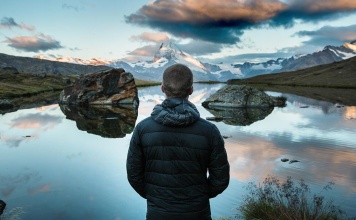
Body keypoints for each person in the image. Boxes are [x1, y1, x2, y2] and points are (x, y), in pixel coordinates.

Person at [126, 63, 230, 220]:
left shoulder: (142, 129)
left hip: (158, 213)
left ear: (162, 88)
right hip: (197, 213)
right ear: (191, 90)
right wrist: (200, 196)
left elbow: (134, 175)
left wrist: (155, 196)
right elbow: (220, 179)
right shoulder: (210, 131)